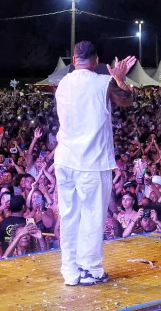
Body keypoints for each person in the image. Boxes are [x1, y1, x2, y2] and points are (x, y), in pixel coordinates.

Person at [54, 41, 136, 286]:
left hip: (65, 159)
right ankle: (90, 269)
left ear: (73, 58)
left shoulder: (62, 83)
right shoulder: (103, 83)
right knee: (92, 216)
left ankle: (70, 270)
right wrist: (120, 79)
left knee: (69, 216)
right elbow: (126, 101)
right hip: (92, 162)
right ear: (97, 60)